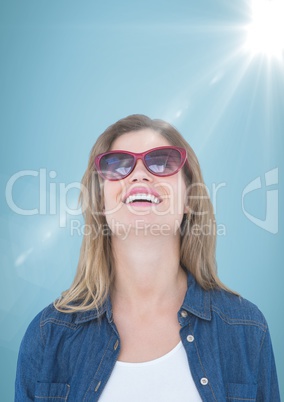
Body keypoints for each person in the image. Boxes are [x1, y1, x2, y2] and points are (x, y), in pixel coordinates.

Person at [15, 114, 280, 401]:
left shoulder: (246, 330)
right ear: (101, 202)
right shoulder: (48, 336)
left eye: (162, 162)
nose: (139, 175)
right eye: (117, 165)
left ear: (190, 197)